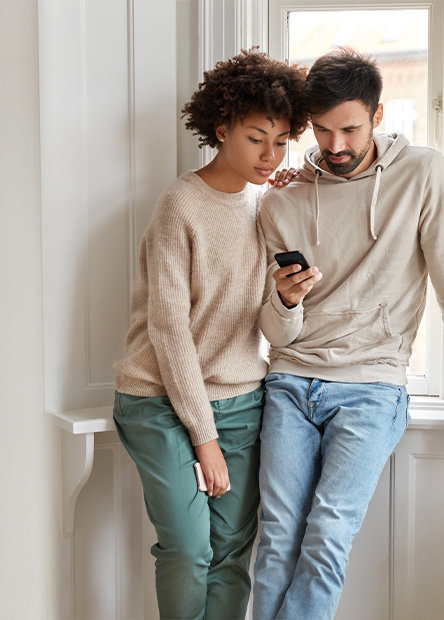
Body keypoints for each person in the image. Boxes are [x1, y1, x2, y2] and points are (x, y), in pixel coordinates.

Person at [252, 48, 444, 620]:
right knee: (277, 538)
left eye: (349, 129)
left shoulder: (422, 173)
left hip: (371, 386)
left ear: (379, 114)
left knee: (326, 538)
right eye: (320, 131)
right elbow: (270, 327)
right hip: (289, 380)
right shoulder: (281, 199)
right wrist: (286, 300)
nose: (334, 146)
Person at [111, 50, 306, 620]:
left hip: (243, 400)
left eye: (282, 141)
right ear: (220, 129)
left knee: (230, 553)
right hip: (160, 400)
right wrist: (205, 438)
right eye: (255, 139)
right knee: (190, 548)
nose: (270, 155)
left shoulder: (270, 204)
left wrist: (288, 299)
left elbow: (272, 326)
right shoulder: (180, 206)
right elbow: (170, 335)